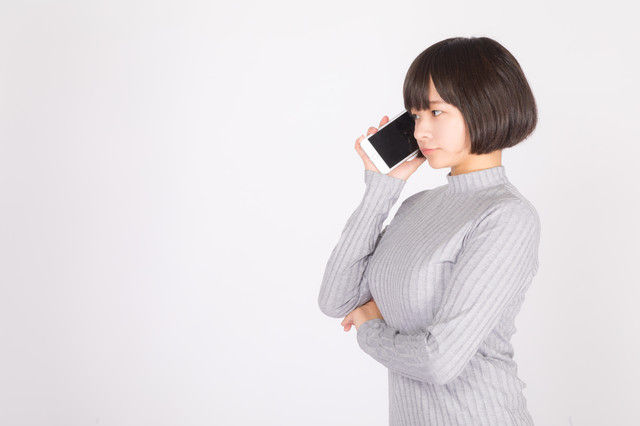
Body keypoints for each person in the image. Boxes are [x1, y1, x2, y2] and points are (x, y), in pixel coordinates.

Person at [317, 36, 541, 425]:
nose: (421, 131)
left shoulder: (506, 216)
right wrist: (381, 188)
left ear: (485, 106)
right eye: (416, 115)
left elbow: (438, 361)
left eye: (436, 112)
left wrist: (369, 327)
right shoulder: (415, 206)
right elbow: (335, 300)